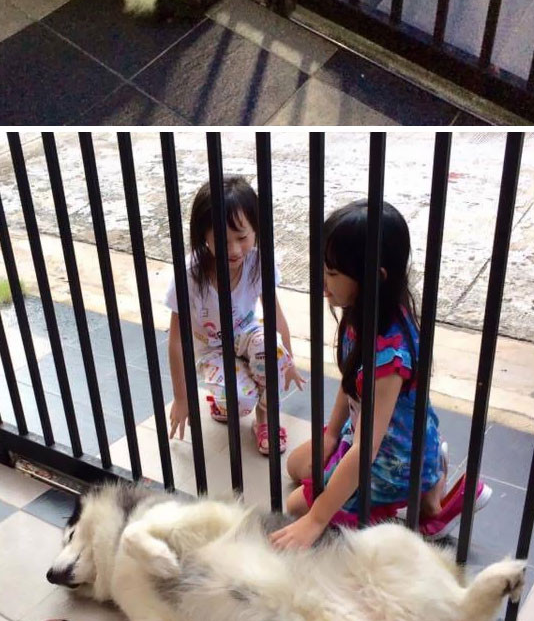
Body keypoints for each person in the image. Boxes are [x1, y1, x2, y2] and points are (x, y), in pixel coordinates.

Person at [271, 200, 491, 551]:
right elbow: (351, 382)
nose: (322, 282)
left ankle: (427, 500)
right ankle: (427, 484)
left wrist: (315, 520)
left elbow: (366, 450)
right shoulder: (363, 312)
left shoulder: (389, 358)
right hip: (376, 436)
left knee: (298, 506)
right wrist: (331, 435)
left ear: (375, 278)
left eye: (332, 274)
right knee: (298, 466)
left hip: (390, 459)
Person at [166, 177, 303, 456]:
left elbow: (275, 316)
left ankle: (266, 419)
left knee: (272, 353)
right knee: (239, 400)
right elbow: (177, 341)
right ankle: (225, 401)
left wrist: (287, 361)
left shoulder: (258, 262)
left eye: (242, 237)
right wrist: (181, 397)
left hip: (249, 335)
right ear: (203, 235)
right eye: (222, 240)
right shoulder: (190, 275)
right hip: (212, 349)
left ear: (255, 230)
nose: (235, 250)